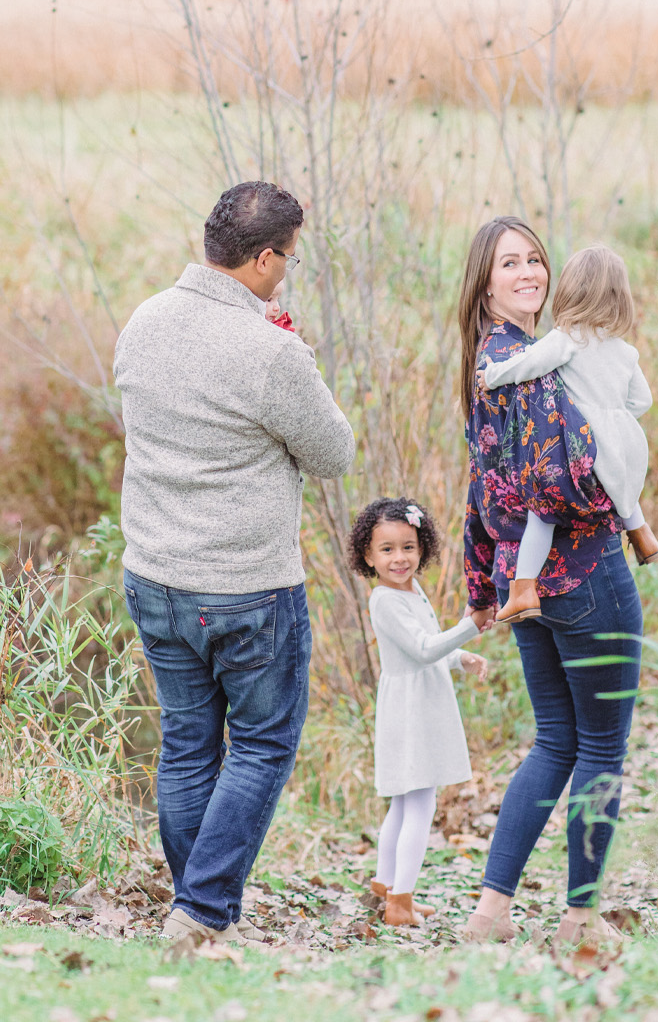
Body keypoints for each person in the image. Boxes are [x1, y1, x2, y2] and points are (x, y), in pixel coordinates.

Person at [114, 180, 355, 946]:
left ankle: (196, 912)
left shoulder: (144, 320)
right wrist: (295, 352)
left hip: (154, 572)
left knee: (188, 744)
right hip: (245, 588)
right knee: (260, 746)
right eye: (285, 258)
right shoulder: (272, 352)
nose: (286, 270)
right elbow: (333, 454)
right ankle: (201, 911)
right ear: (261, 258)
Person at [458, 216, 643, 949]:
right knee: (599, 751)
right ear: (485, 281)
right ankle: (578, 924)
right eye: (510, 264)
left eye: (535, 259)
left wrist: (485, 583)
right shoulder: (540, 366)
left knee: (555, 743)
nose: (529, 273)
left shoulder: (494, 358)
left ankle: (490, 914)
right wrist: (616, 501)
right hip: (585, 574)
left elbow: (481, 491)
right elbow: (556, 482)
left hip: (524, 583)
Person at [478, 244, 658, 625]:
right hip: (623, 440)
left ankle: (524, 588)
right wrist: (616, 420)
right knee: (619, 482)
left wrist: (492, 374)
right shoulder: (624, 350)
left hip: (582, 446)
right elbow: (642, 400)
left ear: (569, 292)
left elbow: (528, 364)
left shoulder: (568, 338)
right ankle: (643, 537)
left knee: (542, 514)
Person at [350, 496, 488, 928]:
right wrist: (472, 623)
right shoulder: (384, 600)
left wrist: (460, 656)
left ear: (422, 547)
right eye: (387, 549)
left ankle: (388, 882)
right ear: (368, 555)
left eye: (408, 547)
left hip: (419, 697)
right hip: (412, 708)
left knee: (405, 799)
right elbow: (424, 648)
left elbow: (425, 646)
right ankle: (401, 901)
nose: (399, 558)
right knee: (420, 802)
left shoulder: (411, 591)